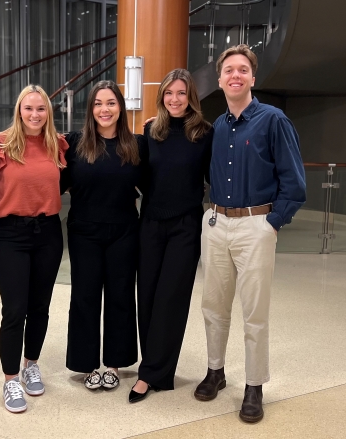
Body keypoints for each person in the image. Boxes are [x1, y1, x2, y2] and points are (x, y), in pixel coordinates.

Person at [195, 44, 306, 423]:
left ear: (252, 78)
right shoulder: (218, 126)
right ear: (221, 79)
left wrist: (271, 224)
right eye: (229, 70)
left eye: (242, 70)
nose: (235, 75)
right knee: (214, 306)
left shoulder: (273, 120)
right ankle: (215, 371)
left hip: (255, 226)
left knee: (254, 313)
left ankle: (254, 386)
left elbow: (294, 183)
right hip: (217, 223)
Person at [0, 84, 68, 413]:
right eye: (28, 108)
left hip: (47, 232)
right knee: (14, 310)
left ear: (48, 112)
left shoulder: (57, 144)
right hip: (10, 234)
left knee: (40, 307)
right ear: (19, 111)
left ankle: (31, 364)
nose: (34, 114)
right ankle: (10, 378)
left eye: (40, 109)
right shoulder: (1, 144)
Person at [130, 68, 213, 403]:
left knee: (170, 300)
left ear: (190, 96)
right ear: (162, 96)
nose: (175, 99)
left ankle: (151, 374)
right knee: (147, 297)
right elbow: (140, 174)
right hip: (150, 223)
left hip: (185, 226)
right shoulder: (152, 129)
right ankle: (154, 367)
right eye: (169, 93)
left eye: (181, 93)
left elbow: (215, 176)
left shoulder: (204, 133)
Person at [60, 80, 147, 390]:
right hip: (84, 231)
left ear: (120, 107)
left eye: (110, 103)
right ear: (91, 109)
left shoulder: (135, 145)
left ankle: (114, 362)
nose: (104, 109)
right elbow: (56, 179)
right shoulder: (74, 144)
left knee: (121, 296)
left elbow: (152, 183)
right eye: (98, 103)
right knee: (84, 297)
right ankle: (86, 365)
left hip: (124, 231)